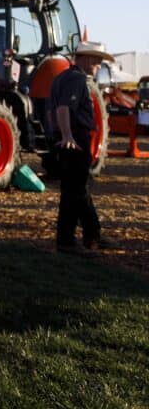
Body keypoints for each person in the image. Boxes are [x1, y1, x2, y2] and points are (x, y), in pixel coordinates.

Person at [50, 41, 116, 256]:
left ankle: (92, 234)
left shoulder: (62, 77)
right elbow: (63, 108)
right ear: (86, 59)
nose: (98, 66)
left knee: (79, 188)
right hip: (75, 138)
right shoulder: (76, 80)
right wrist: (68, 135)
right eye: (97, 61)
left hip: (67, 138)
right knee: (74, 191)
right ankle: (66, 240)